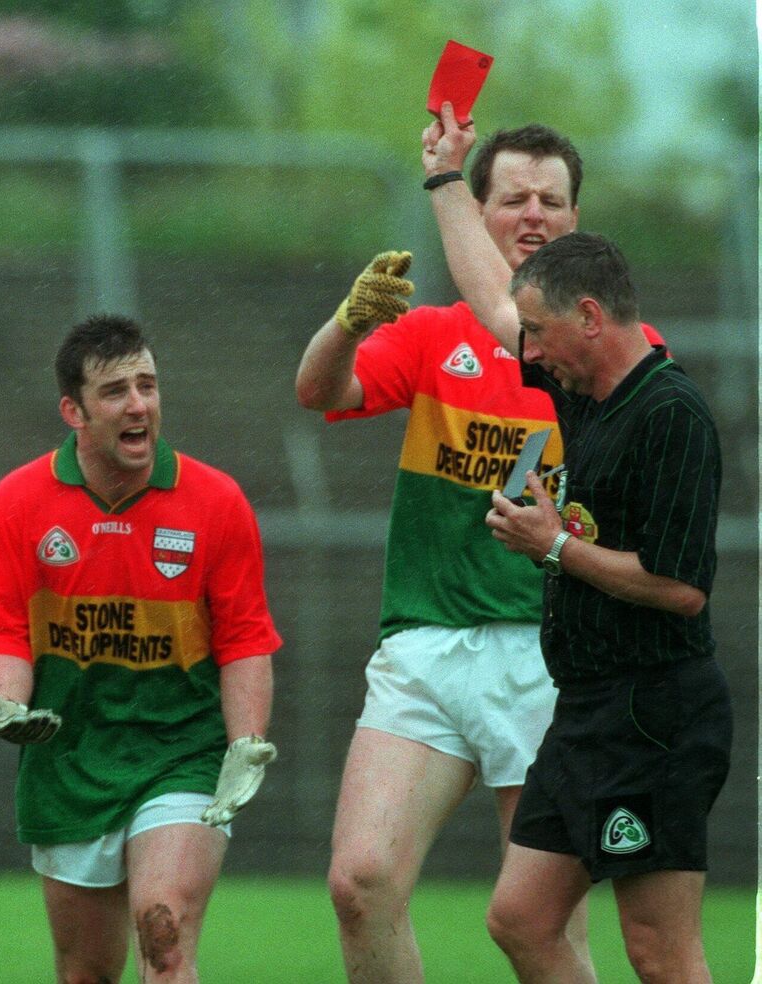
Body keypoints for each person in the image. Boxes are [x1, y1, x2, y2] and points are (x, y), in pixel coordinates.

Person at [295, 112, 639, 982]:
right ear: (479, 214)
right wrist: (346, 322)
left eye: (552, 201)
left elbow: (515, 327)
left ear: (578, 221)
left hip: (548, 653)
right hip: (426, 644)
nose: (533, 214)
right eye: (512, 197)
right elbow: (317, 389)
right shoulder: (433, 335)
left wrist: (442, 177)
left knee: (541, 927)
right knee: (360, 883)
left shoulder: (609, 351)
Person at [0, 313, 281, 984]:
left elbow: (245, 637)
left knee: (163, 934)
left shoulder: (216, 501)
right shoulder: (18, 501)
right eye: (115, 392)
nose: (138, 405)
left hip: (180, 759)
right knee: (85, 973)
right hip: (69, 764)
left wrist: (246, 743)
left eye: (148, 385)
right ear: (73, 411)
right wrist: (11, 706)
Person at [477, 232, 730, 983]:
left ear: (590, 317)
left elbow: (681, 588)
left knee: (659, 952)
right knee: (521, 921)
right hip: (587, 710)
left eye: (539, 332)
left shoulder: (671, 413)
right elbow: (495, 299)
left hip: (655, 714)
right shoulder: (584, 397)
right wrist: (447, 182)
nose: (526, 353)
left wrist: (552, 546)